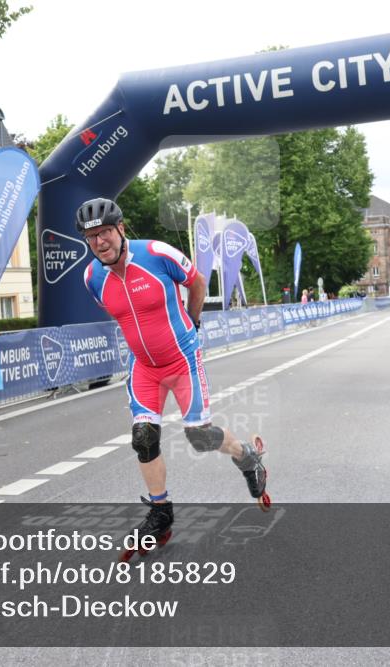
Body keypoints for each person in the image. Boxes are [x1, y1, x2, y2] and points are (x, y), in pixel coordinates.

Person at [77, 198, 271, 550]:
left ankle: (247, 456)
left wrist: (192, 323)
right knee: (144, 438)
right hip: (144, 368)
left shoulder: (156, 253)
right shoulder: (92, 277)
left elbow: (196, 283)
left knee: (199, 436)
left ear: (120, 228)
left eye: (105, 232)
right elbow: (121, 313)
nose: (99, 242)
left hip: (181, 360)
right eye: (91, 237)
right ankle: (160, 513)